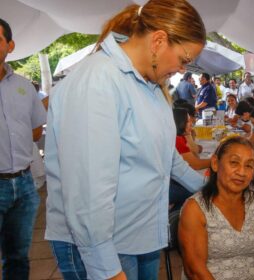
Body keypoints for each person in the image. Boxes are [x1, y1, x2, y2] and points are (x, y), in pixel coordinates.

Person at [44, 1, 206, 279]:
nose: (182, 69)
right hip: (101, 244)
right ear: (158, 40)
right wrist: (108, 270)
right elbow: (87, 191)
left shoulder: (151, 86)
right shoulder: (98, 81)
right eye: (184, 58)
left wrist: (208, 187)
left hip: (138, 234)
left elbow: (166, 156)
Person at [179, 136, 254, 279]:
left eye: (249, 165)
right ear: (215, 164)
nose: (242, 172)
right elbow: (195, 271)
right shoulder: (195, 209)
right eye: (234, 163)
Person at [0, 18, 46, 279]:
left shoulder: (24, 86)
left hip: (24, 183)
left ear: (10, 45)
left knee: (17, 257)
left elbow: (37, 130)